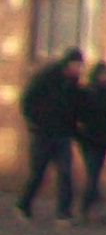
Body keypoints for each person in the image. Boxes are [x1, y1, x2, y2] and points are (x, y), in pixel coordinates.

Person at [16, 50, 85, 225]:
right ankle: (23, 204)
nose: (78, 69)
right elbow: (27, 100)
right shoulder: (47, 77)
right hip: (43, 134)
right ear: (68, 64)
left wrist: (74, 128)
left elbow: (75, 108)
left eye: (80, 66)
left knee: (65, 172)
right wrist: (35, 123)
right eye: (76, 65)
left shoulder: (73, 84)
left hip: (62, 134)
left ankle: (63, 213)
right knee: (38, 173)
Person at [72, 60, 106, 223]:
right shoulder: (90, 92)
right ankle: (87, 209)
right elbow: (79, 114)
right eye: (104, 74)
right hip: (91, 139)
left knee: (94, 175)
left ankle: (95, 209)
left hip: (99, 139)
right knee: (93, 175)